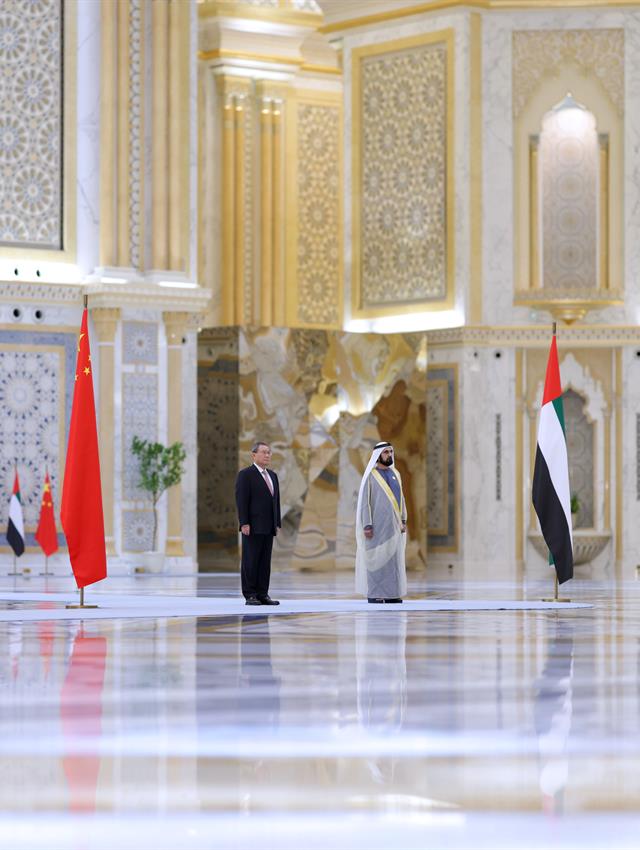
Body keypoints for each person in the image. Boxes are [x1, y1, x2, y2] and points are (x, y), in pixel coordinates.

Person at [355, 441, 407, 603]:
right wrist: (367, 524)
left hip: (394, 526)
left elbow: (401, 499)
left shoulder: (395, 474)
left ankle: (392, 595)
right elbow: (365, 502)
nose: (389, 455)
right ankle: (375, 594)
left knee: (393, 562)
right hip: (376, 527)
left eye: (391, 452)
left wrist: (403, 519)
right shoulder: (371, 476)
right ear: (378, 456)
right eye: (386, 452)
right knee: (376, 561)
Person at [235, 441, 281, 605]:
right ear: (254, 455)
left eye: (269, 452)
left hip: (268, 527)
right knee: (251, 560)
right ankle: (250, 594)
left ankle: (263, 594)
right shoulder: (245, 475)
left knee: (264, 562)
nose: (267, 455)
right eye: (263, 452)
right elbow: (242, 500)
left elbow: (276, 501)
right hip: (252, 526)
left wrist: (277, 523)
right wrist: (244, 522)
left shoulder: (273, 476)